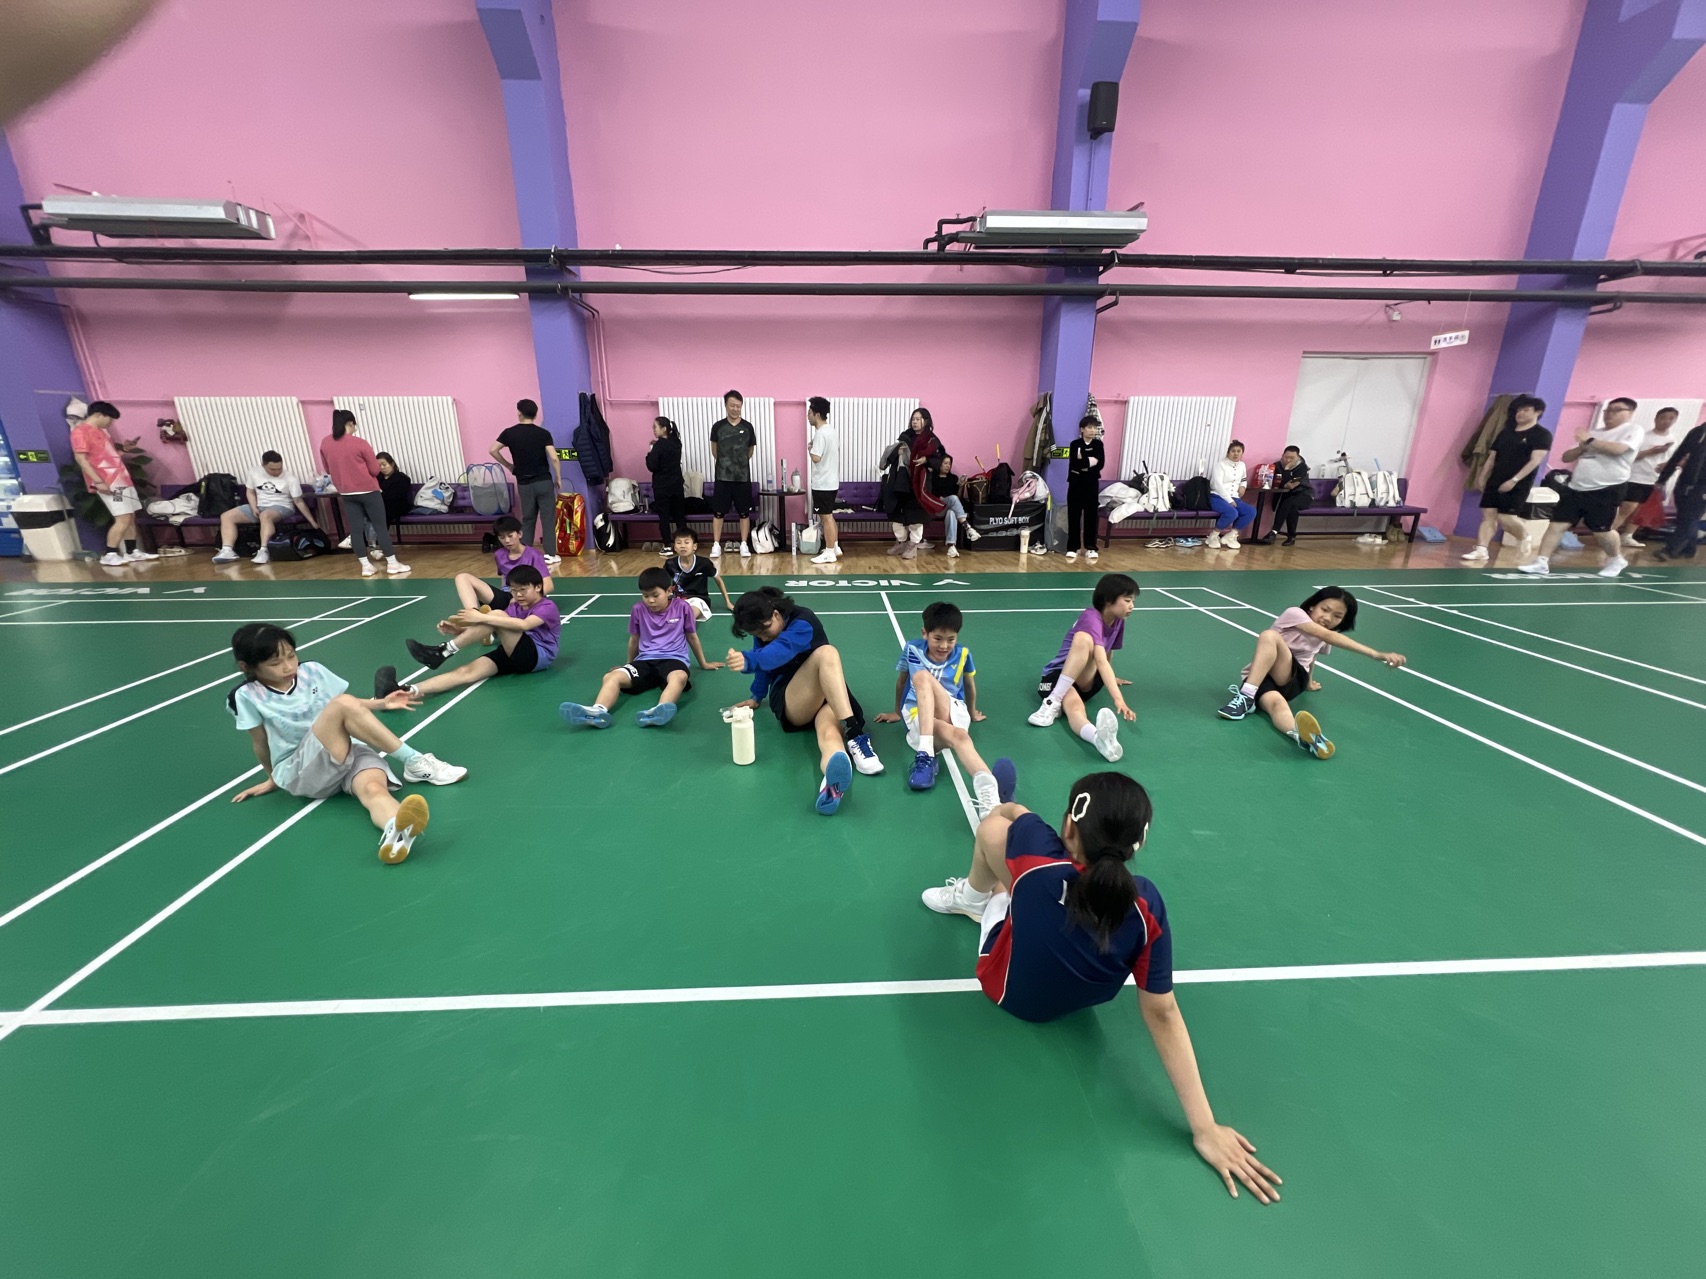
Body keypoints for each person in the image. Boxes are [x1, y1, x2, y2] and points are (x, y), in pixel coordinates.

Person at [919, 769, 1281, 1205]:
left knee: (995, 839)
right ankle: (1004, 895)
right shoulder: (1147, 905)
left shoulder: (1039, 854)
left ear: (1069, 827)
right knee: (1028, 878)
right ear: (1137, 844)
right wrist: (1204, 1127)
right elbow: (1162, 1012)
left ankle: (974, 899)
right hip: (1079, 1001)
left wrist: (1013, 809)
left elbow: (1010, 816)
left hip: (1006, 989)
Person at [227, 622, 465, 865]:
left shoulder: (312, 671)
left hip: (344, 750)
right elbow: (260, 742)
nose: (289, 666)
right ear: (247, 666)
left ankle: (396, 830)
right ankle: (413, 761)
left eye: (291, 656)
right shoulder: (246, 696)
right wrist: (273, 778)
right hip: (301, 769)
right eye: (275, 663)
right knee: (342, 703)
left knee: (374, 789)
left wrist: (382, 703)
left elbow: (347, 709)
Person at [726, 586, 884, 814]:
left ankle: (831, 786)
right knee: (827, 653)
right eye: (757, 635)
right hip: (793, 700)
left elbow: (781, 650)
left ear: (776, 614)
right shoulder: (765, 630)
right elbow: (765, 663)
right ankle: (855, 734)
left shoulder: (804, 621)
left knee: (830, 735)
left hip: (827, 696)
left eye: (765, 630)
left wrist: (749, 660)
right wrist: (756, 696)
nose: (763, 637)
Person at [1215, 586, 1406, 760]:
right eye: (1325, 609)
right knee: (1277, 705)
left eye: (1337, 616)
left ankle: (1245, 696)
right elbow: (1323, 639)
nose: (1328, 618)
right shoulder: (1294, 613)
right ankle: (1303, 738)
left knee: (1269, 635)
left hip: (1293, 678)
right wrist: (1373, 653)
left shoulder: (1324, 633)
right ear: (1312, 606)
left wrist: (1309, 682)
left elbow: (1312, 655)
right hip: (1263, 677)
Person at [872, 601, 1008, 815]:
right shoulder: (912, 649)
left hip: (952, 709)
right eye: (938, 639)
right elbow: (901, 681)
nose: (944, 646)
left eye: (951, 639)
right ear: (925, 633)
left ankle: (925, 754)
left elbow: (969, 685)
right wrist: (897, 712)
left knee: (922, 677)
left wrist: (972, 712)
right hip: (918, 714)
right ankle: (990, 798)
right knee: (959, 737)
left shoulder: (963, 654)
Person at [560, 567, 723, 728]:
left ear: (669, 591)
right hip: (645, 661)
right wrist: (627, 665)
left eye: (655, 595)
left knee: (679, 677)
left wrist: (703, 663)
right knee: (611, 677)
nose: (650, 600)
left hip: (674, 659)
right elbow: (634, 640)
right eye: (645, 596)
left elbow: (692, 637)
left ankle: (660, 710)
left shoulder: (682, 607)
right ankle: (597, 711)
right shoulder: (638, 610)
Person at [1519, 396, 1642, 578]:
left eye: (1616, 410)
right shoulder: (1594, 432)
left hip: (1607, 488)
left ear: (1630, 413)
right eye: (1608, 410)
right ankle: (1541, 562)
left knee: (1602, 530)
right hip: (1576, 487)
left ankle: (1616, 559)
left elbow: (1618, 450)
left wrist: (1590, 441)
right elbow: (1566, 457)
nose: (1610, 414)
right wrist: (1581, 447)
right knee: (1556, 524)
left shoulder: (1632, 430)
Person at [392, 564, 561, 692]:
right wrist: (459, 631)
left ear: (538, 587)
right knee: (466, 672)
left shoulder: (547, 606)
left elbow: (524, 625)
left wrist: (480, 617)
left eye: (523, 590)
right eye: (514, 590)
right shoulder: (515, 606)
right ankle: (406, 691)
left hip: (536, 657)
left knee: (498, 615)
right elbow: (494, 628)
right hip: (513, 651)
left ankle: (444, 651)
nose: (518, 595)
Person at [1026, 574, 1136, 761]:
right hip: (1057, 677)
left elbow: (1108, 652)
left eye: (1133, 601)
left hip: (1087, 680)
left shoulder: (1118, 622)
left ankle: (1054, 701)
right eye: (1127, 600)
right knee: (1075, 708)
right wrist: (1118, 699)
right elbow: (1100, 659)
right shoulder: (1090, 616)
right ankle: (1097, 739)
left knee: (1089, 644)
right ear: (1108, 600)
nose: (1132, 606)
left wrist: (1111, 677)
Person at [319, 409, 411, 577]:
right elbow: (375, 470)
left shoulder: (325, 443)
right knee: (380, 526)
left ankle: (366, 566)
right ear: (350, 423)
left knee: (355, 529)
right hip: (368, 491)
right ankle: (392, 564)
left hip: (346, 492)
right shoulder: (360, 443)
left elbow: (328, 469)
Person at [1462, 395, 1550, 563]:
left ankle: (1524, 536)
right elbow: (1492, 457)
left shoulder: (1541, 434)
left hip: (1519, 482)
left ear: (1537, 412)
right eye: (1518, 410)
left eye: (1526, 410)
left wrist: (1514, 480)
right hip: (1495, 479)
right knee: (1488, 515)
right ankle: (1481, 550)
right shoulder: (1505, 433)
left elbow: (1535, 461)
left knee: (1506, 518)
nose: (1520, 413)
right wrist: (1482, 476)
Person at [71, 401, 156, 566]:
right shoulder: (80, 432)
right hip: (108, 482)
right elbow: (81, 459)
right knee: (122, 517)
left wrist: (124, 450)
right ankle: (110, 554)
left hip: (122, 478)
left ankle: (132, 551)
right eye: (109, 419)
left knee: (130, 516)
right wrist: (98, 481)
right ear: (98, 415)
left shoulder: (102, 432)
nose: (111, 423)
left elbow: (109, 456)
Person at [212, 451, 322, 566]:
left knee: (265, 515)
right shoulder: (254, 472)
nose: (277, 472)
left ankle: (264, 550)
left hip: (282, 506)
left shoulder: (290, 478)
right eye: (272, 469)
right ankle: (227, 550)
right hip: (259, 505)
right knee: (226, 516)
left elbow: (299, 502)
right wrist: (254, 507)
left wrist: (313, 523)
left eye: (279, 468)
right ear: (263, 465)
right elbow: (250, 492)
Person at [491, 398, 562, 566]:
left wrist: (509, 465)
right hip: (543, 482)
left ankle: (524, 554)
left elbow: (493, 450)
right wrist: (558, 477)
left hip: (524, 483)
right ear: (535, 415)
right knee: (548, 519)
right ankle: (550, 554)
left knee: (528, 519)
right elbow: (554, 457)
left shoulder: (509, 433)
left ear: (519, 413)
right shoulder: (543, 434)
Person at [450, 516, 554, 621]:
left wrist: (518, 599)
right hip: (507, 596)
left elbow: (548, 585)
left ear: (519, 534)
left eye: (510, 536)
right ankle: (472, 614)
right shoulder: (499, 554)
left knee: (495, 616)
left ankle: (486, 618)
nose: (507, 540)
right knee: (462, 577)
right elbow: (504, 578)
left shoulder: (534, 555)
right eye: (502, 537)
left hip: (526, 598)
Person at [1614, 406, 1680, 550]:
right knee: (1628, 508)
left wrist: (1668, 466)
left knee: (1642, 510)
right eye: (1663, 418)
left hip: (1654, 480)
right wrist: (1650, 452)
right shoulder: (1643, 437)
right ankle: (1609, 534)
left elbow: (1677, 460)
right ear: (1656, 419)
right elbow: (1628, 456)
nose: (1667, 421)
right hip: (1635, 477)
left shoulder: (1674, 440)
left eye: (1671, 418)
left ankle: (1627, 535)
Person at [884, 407, 941, 559]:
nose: (914, 422)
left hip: (918, 482)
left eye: (918, 419)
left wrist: (926, 460)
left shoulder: (932, 440)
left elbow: (939, 460)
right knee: (896, 513)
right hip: (900, 481)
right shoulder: (905, 436)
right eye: (913, 419)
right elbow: (891, 457)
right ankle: (901, 542)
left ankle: (913, 545)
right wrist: (897, 453)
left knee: (916, 515)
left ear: (926, 421)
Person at [710, 390, 758, 559]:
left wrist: (738, 464)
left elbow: (750, 451)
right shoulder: (718, 427)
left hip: (742, 478)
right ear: (726, 405)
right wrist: (727, 464)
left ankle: (744, 544)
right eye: (732, 405)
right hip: (722, 477)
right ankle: (716, 544)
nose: (735, 409)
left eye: (738, 406)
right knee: (718, 513)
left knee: (744, 513)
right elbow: (715, 451)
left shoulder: (748, 427)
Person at [1652, 419, 1706, 561]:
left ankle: (1671, 550)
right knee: (1684, 518)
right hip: (1684, 483)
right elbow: (1679, 454)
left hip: (1702, 487)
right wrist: (1663, 478)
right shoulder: (1698, 432)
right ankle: (1689, 549)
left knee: (1690, 518)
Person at [664, 527, 733, 621]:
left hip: (699, 599)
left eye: (686, 542)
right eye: (679, 543)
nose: (682, 546)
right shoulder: (670, 564)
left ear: (694, 546)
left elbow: (719, 580)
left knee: (689, 615)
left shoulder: (704, 563)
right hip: (677, 598)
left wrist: (728, 602)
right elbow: (662, 583)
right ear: (675, 547)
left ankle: (681, 625)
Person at [807, 396, 843, 565]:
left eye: (810, 412)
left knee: (826, 517)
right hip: (831, 482)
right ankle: (834, 546)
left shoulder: (821, 433)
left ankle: (829, 553)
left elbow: (816, 457)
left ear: (817, 414)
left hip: (823, 483)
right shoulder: (831, 431)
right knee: (829, 516)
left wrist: (810, 449)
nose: (808, 416)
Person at [1065, 415, 1104, 562]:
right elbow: (1075, 463)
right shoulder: (1075, 444)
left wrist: (1084, 461)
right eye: (1089, 427)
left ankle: (1090, 547)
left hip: (1091, 484)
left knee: (1091, 516)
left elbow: (1100, 463)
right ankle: (1073, 547)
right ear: (1082, 429)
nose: (1092, 430)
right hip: (1075, 484)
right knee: (1074, 516)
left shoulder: (1098, 445)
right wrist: (1090, 461)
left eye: (1095, 427)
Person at [1255, 445, 1311, 546]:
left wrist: (1287, 469)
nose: (1288, 460)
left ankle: (1274, 532)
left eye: (1292, 458)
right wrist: (1285, 484)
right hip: (1286, 496)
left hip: (1304, 495)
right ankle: (1290, 536)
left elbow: (1292, 484)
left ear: (1298, 458)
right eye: (1286, 457)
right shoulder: (1276, 466)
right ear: (1282, 456)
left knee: (1290, 502)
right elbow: (1275, 482)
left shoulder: (1302, 468)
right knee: (1291, 506)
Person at [646, 415, 687, 553]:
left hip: (662, 486)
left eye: (655, 427)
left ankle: (668, 545)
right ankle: (684, 545)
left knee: (664, 517)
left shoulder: (658, 446)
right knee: (679, 516)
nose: (653, 430)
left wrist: (650, 452)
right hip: (676, 485)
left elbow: (652, 466)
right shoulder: (677, 443)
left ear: (664, 429)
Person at [1206, 440, 1255, 550]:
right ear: (1228, 452)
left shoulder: (1242, 465)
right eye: (1233, 451)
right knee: (1232, 512)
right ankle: (1213, 536)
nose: (1236, 453)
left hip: (1235, 497)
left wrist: (1243, 486)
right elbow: (1217, 484)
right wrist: (1229, 500)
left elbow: (1243, 479)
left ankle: (1231, 536)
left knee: (1250, 511)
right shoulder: (1220, 465)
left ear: (1242, 453)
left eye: (1238, 451)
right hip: (1217, 497)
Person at [930, 452, 980, 558]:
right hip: (937, 507)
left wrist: (961, 486)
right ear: (939, 464)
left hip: (949, 506)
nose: (948, 466)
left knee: (951, 513)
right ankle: (967, 527)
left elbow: (958, 497)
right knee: (952, 499)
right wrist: (940, 498)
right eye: (945, 463)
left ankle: (951, 546)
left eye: (949, 464)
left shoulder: (953, 478)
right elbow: (930, 494)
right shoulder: (932, 477)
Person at [376, 452, 414, 529]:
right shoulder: (378, 478)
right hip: (381, 506)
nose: (382, 468)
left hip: (397, 506)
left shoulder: (401, 478)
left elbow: (396, 495)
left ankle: (379, 534)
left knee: (384, 510)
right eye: (379, 466)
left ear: (392, 464)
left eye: (384, 464)